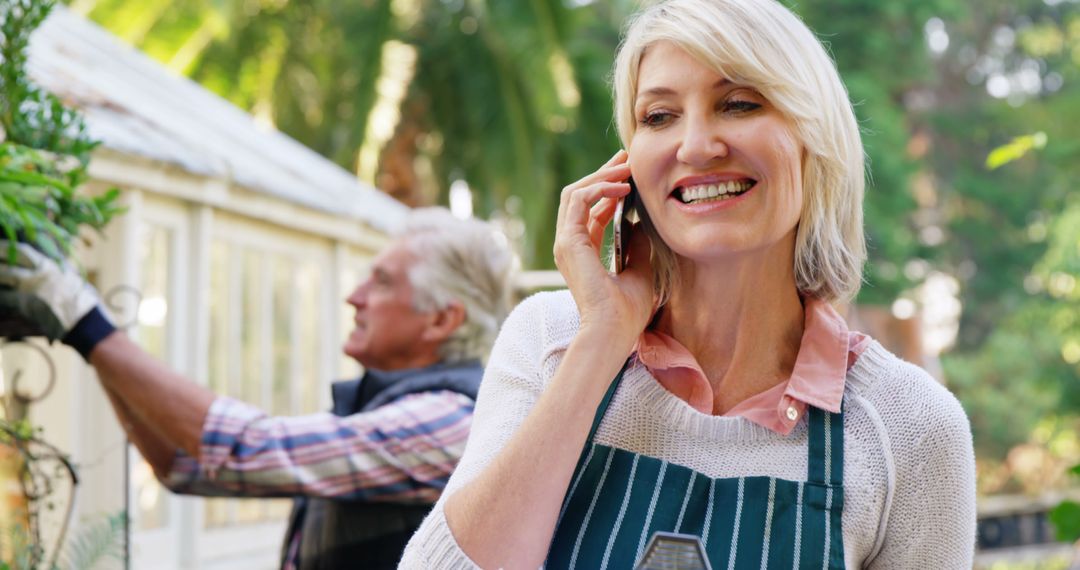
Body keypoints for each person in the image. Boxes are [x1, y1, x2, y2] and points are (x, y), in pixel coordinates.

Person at [400, 1, 976, 568]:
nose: (697, 146)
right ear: (626, 166)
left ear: (813, 140)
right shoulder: (549, 340)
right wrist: (602, 339)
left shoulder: (911, 427)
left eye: (739, 104)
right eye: (658, 116)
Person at [0, 207, 516, 569]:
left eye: (382, 283)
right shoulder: (388, 406)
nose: (355, 297)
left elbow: (248, 448)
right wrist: (88, 342)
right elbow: (185, 466)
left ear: (442, 320)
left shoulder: (449, 419)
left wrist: (87, 323)